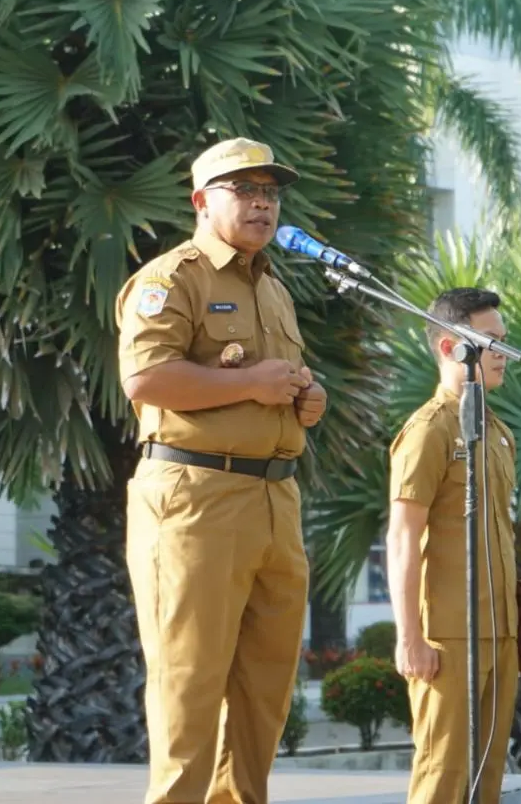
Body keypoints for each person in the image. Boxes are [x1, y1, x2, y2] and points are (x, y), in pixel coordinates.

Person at [114, 136, 328, 804]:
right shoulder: (172, 279)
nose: (263, 203)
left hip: (274, 500)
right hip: (195, 498)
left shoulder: (276, 290)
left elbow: (275, 384)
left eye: (271, 192)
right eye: (246, 190)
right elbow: (145, 378)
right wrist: (252, 386)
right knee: (189, 684)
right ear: (202, 201)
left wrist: (305, 398)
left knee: (264, 692)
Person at [386, 287, 519, 804]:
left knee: (486, 784)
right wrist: (409, 637)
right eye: (491, 342)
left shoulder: (497, 430)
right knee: (442, 779)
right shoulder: (429, 430)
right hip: (450, 636)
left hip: (500, 630)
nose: (504, 354)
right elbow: (403, 535)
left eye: (504, 341)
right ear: (449, 347)